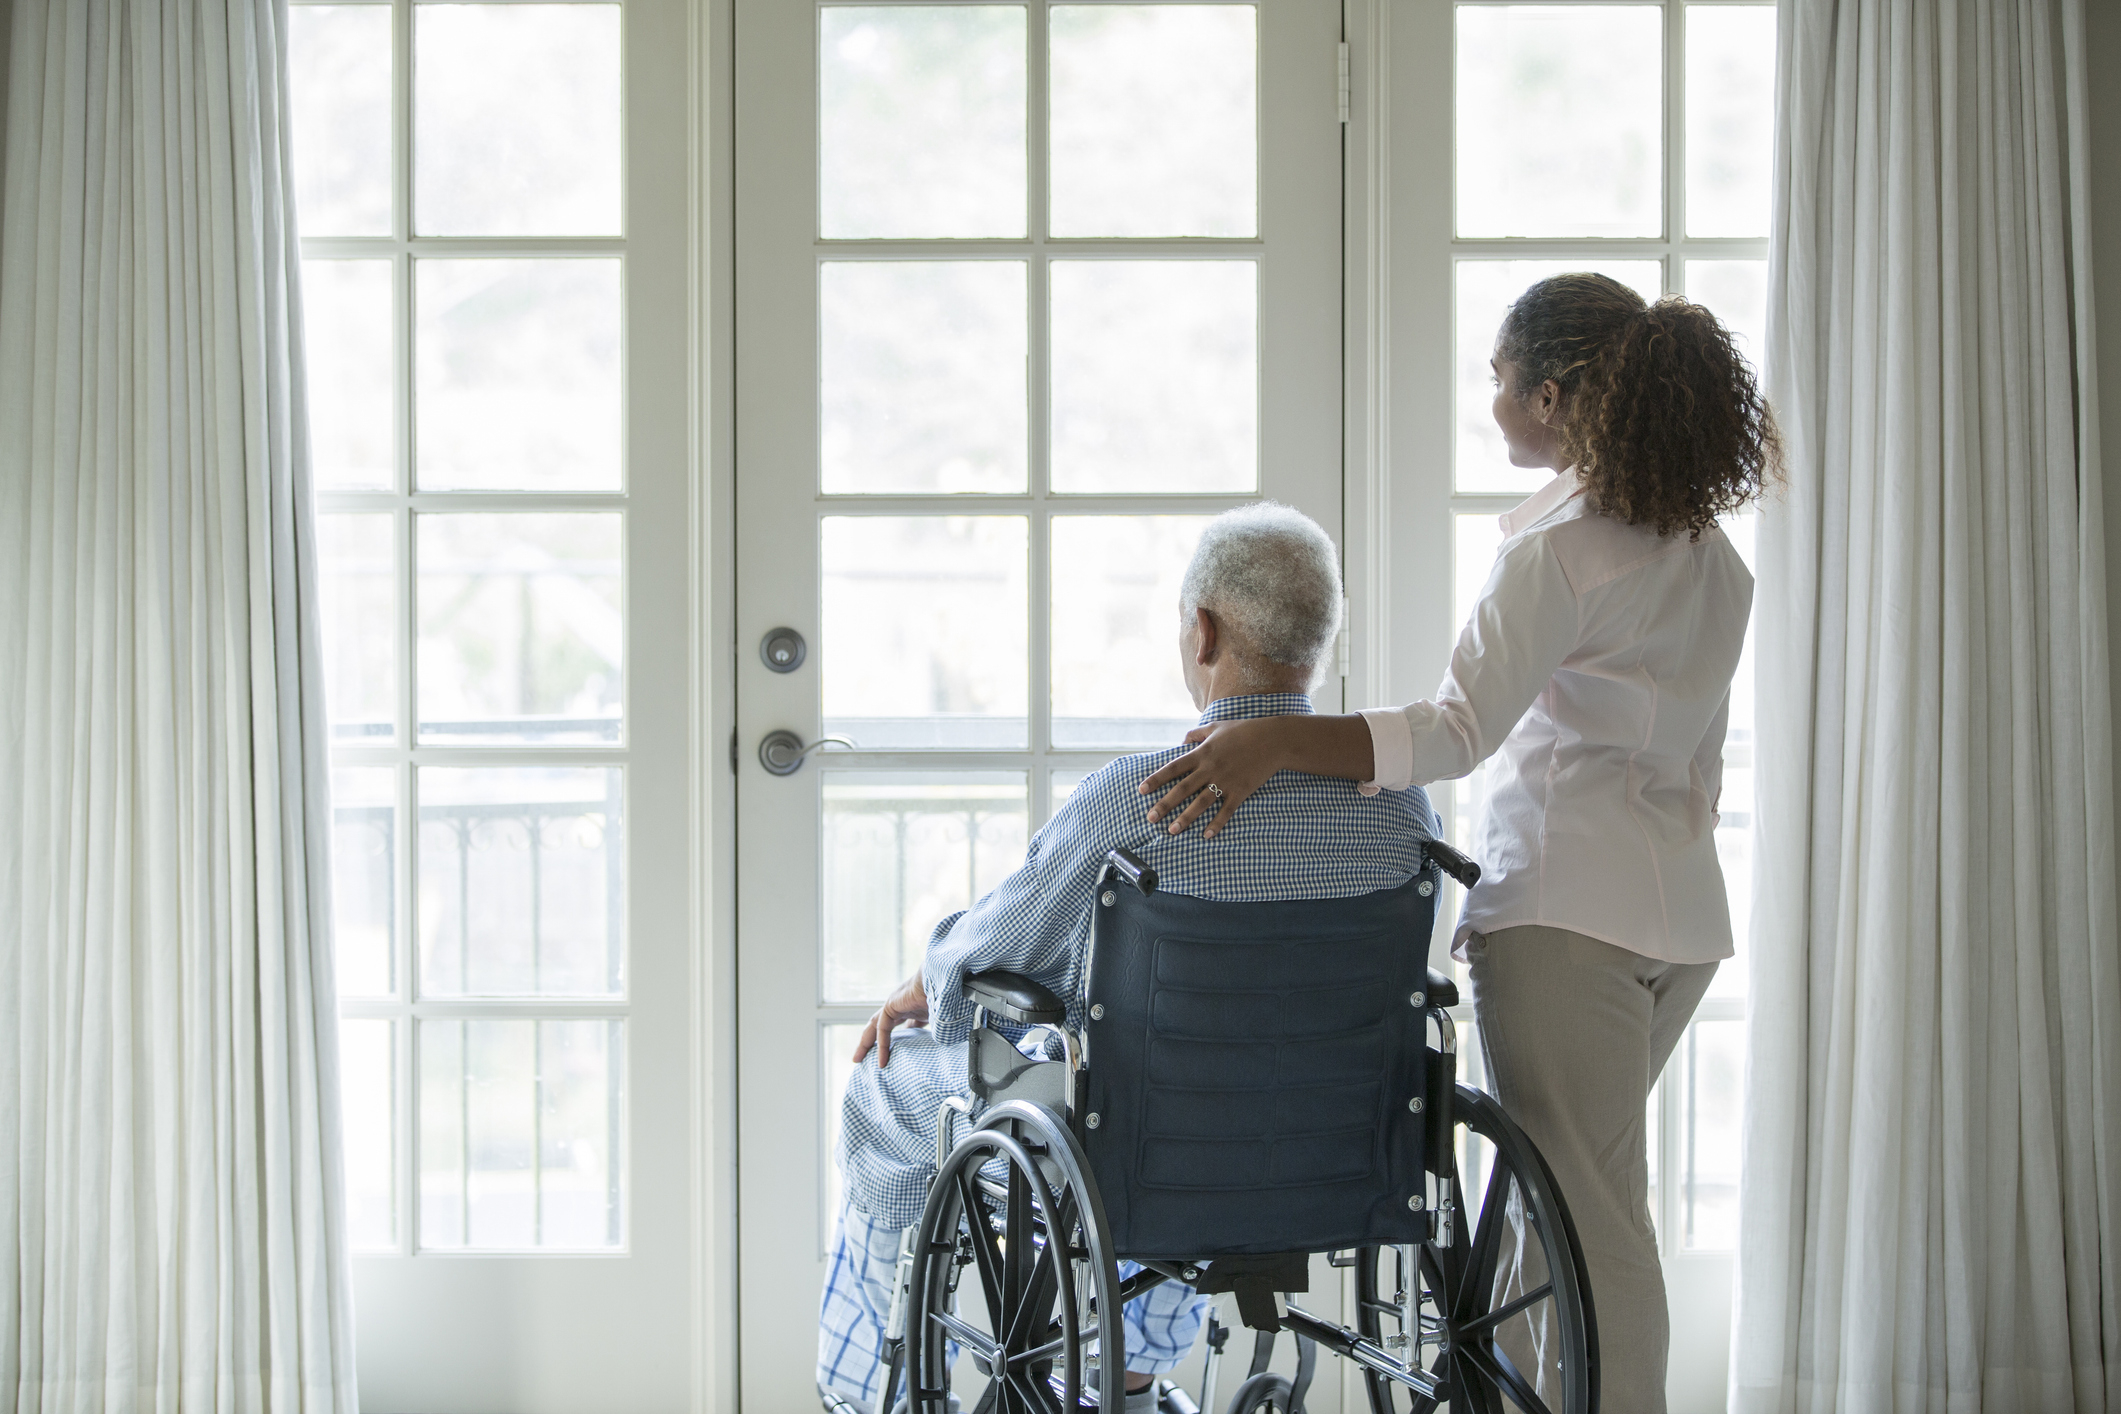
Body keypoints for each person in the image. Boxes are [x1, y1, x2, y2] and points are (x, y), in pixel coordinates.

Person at [1138, 273, 1781, 1414]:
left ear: (1551, 392)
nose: (1489, 399)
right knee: (1588, 1204)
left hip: (1567, 920)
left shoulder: (1562, 555)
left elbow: (1455, 732)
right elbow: (1699, 758)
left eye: (1497, 376)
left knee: (1590, 1223)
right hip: (1679, 918)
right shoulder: (1710, 559)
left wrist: (1275, 740)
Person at [819, 503, 1441, 1413]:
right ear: (1316, 643)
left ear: (1203, 631)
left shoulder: (1138, 797)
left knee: (881, 1085)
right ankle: (1136, 1373)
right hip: (1328, 1150)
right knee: (1169, 1086)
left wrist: (931, 980)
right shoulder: (1399, 809)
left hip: (1143, 1151)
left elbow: (1003, 949)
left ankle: (858, 1387)